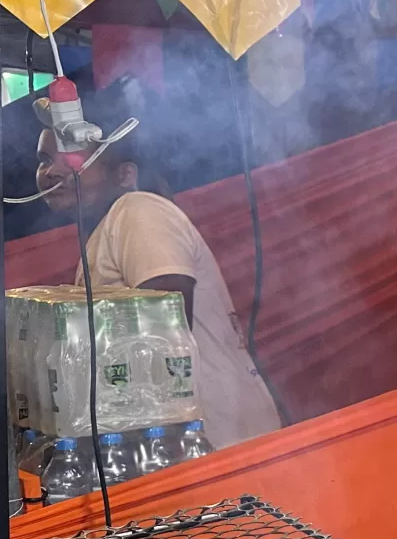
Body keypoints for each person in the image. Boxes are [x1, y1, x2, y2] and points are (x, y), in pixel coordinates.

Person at [35, 81, 283, 450]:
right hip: (193, 438)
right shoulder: (107, 229)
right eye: (44, 159)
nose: (51, 172)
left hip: (218, 440)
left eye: (70, 157)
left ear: (125, 175)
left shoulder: (138, 211)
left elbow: (164, 330)